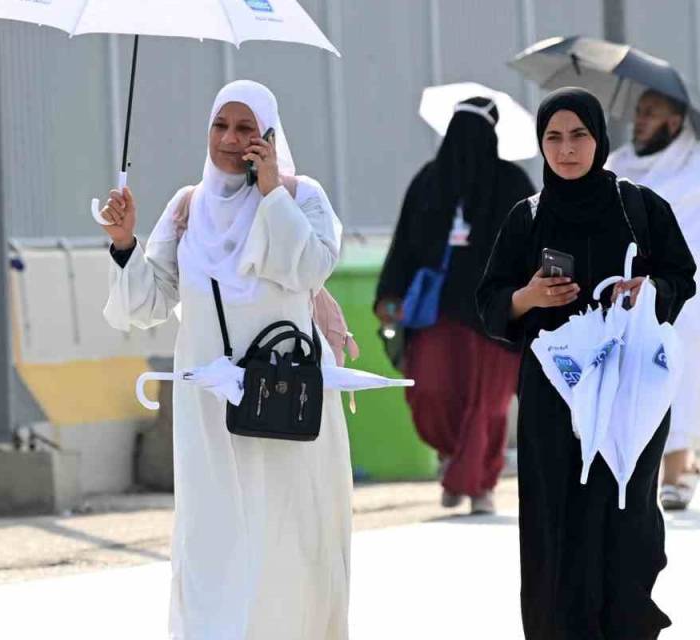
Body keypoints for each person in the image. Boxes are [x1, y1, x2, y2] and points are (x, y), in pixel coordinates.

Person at [99, 80, 351, 639]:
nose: (231, 140)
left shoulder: (303, 196)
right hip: (211, 410)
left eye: (245, 129)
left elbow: (307, 269)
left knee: (291, 538)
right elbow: (146, 303)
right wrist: (123, 244)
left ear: (268, 136)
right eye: (221, 127)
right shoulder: (189, 207)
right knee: (213, 538)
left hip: (288, 403)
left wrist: (271, 194)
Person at [476, 88, 696, 639]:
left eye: (579, 136)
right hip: (555, 395)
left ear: (599, 140)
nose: (566, 149)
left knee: (628, 518)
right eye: (553, 137)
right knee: (557, 519)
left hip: (629, 388)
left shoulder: (639, 206)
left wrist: (648, 289)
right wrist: (529, 297)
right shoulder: (527, 217)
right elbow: (490, 301)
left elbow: (682, 277)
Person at [375, 97, 535, 514]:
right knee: (430, 391)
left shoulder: (513, 184)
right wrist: (389, 296)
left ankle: (479, 485)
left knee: (489, 403)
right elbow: (404, 242)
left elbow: (533, 245)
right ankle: (453, 460)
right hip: (437, 312)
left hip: (496, 313)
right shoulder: (429, 181)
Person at [607, 89, 700, 511]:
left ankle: (678, 467)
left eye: (650, 114)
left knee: (683, 371)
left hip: (685, 301)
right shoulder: (617, 167)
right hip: (627, 297)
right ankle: (645, 471)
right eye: (638, 112)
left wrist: (665, 276)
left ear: (675, 123)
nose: (639, 121)